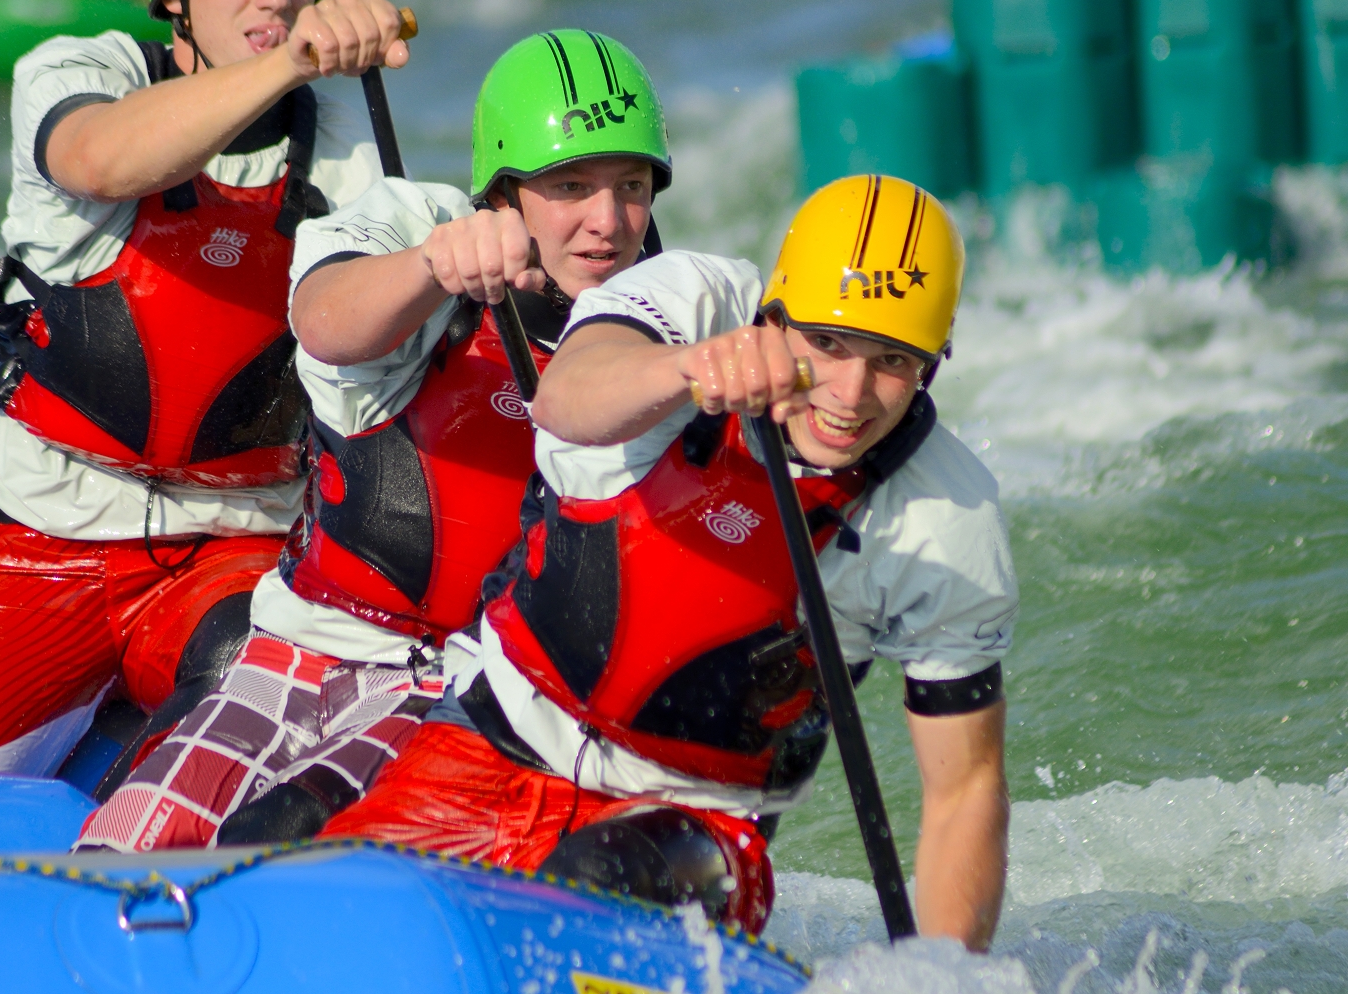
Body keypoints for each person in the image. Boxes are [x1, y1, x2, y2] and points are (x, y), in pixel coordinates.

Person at [323, 174, 1017, 945]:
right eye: (825, 343)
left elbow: (964, 792)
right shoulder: (692, 298)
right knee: (335, 919)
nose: (850, 394)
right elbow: (567, 397)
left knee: (579, 899)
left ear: (935, 362)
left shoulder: (949, 518)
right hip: (491, 737)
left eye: (892, 361)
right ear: (773, 317)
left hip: (694, 825)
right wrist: (691, 370)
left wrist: (948, 974)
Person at [74, 30, 675, 850]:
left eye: (631, 187)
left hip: (463, 692)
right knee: (120, 848)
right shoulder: (413, 226)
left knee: (274, 835)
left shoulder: (677, 321)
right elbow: (325, 324)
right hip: (307, 645)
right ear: (502, 193)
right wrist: (434, 266)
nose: (607, 224)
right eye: (570, 185)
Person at [0, 0, 405, 775]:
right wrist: (289, 59)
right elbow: (100, 160)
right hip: (49, 540)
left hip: (237, 545)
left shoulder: (347, 150)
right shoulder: (76, 70)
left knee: (242, 688)